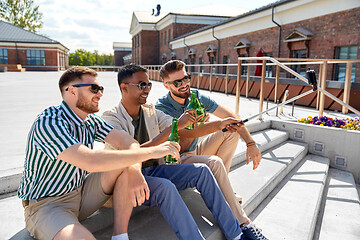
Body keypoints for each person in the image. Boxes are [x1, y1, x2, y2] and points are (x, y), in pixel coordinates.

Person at [102, 64, 267, 240]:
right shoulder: (111, 118)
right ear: (124, 87)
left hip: (156, 169)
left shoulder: (152, 111)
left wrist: (219, 125)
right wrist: (175, 127)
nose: (147, 90)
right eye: (142, 85)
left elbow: (184, 131)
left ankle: (236, 235)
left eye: (149, 85)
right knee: (166, 186)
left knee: (203, 171)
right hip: (128, 177)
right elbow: (129, 155)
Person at [17, 66, 181, 240]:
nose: (100, 94)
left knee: (124, 162)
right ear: (72, 91)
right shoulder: (49, 122)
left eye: (100, 89)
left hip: (80, 193)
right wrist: (152, 152)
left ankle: (120, 236)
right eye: (94, 89)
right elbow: (90, 160)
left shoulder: (91, 120)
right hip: (47, 204)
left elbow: (129, 142)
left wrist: (134, 169)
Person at [155, 60, 267, 239]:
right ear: (166, 85)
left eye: (186, 78)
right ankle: (244, 224)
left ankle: (221, 188)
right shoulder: (162, 107)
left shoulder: (196, 97)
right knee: (214, 160)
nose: (184, 84)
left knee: (231, 132)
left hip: (194, 152)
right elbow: (186, 135)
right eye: (177, 82)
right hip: (176, 159)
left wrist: (251, 144)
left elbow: (231, 117)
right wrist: (211, 124)